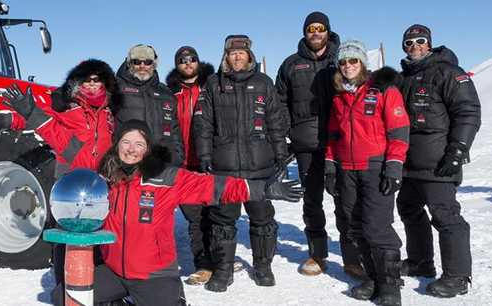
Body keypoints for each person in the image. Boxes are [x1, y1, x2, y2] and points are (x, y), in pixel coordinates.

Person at [26, 117, 303, 306]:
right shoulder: (106, 172)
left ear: (147, 150)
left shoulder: (166, 177)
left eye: (138, 144)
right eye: (126, 142)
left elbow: (215, 187)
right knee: (64, 296)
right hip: (112, 272)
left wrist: (262, 190)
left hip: (154, 276)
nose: (131, 150)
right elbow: (69, 146)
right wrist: (35, 116)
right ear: (117, 145)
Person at [0, 59, 117, 285]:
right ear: (77, 82)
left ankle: (94, 287)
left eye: (96, 79)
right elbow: (29, 117)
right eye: (85, 79)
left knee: (97, 235)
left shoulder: (109, 111)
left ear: (104, 82)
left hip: (98, 182)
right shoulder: (66, 106)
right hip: (70, 180)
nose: (91, 84)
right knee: (66, 237)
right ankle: (64, 287)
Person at [194, 35, 288, 291]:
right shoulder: (214, 84)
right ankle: (223, 271)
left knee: (263, 219)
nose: (237, 57)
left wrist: (281, 154)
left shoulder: (264, 83)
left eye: (241, 53)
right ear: (226, 56)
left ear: (249, 56)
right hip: (225, 167)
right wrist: (204, 155)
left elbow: (276, 122)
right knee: (222, 221)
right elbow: (202, 124)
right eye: (232, 53)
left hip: (260, 165)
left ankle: (262, 267)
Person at [274, 12, 363, 278]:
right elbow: (279, 102)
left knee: (345, 199)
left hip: (340, 143)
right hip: (306, 145)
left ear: (328, 31)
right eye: (311, 28)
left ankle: (352, 257)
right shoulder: (291, 64)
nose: (315, 32)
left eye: (320, 28)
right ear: (304, 32)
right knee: (312, 201)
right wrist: (292, 130)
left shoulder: (343, 61)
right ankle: (317, 254)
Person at [396, 24, 481, 298]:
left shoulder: (448, 73)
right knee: (409, 209)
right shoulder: (402, 78)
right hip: (407, 162)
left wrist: (457, 150)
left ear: (429, 44)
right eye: (409, 42)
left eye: (420, 41)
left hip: (439, 162)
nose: (415, 46)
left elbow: (468, 112)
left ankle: (457, 276)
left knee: (445, 216)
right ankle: (421, 262)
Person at [324, 39, 409, 306]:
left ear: (362, 62)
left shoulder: (383, 89)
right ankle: (372, 277)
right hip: (347, 169)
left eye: (353, 60)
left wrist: (394, 166)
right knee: (355, 225)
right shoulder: (339, 96)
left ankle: (390, 286)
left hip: (375, 168)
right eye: (343, 61)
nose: (348, 66)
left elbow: (398, 131)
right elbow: (333, 135)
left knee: (377, 227)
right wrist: (330, 165)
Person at [164, 45, 217, 285]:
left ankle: (220, 258)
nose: (187, 63)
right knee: (194, 216)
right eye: (182, 60)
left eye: (192, 59)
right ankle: (204, 264)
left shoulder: (213, 86)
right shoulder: (169, 93)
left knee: (216, 213)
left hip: (211, 159)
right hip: (183, 162)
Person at [114, 44, 185, 167]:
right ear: (129, 63)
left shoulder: (166, 92)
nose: (142, 66)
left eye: (147, 62)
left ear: (153, 65)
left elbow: (174, 129)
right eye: (137, 62)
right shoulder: (116, 89)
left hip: (163, 163)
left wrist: (178, 157)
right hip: (129, 161)